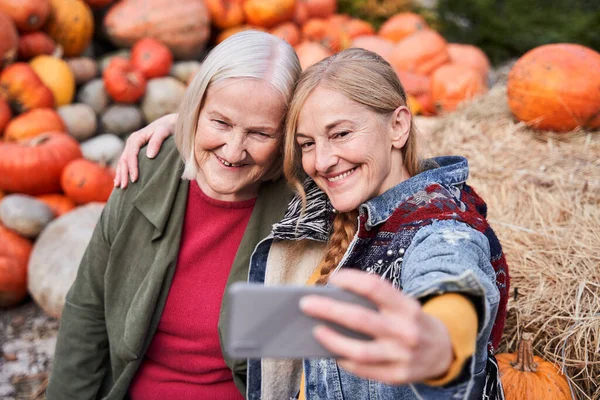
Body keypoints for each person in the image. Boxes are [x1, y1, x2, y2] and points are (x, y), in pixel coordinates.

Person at [116, 49, 509, 400]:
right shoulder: (333, 199)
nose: (322, 161)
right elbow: (249, 137)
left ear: (398, 126)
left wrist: (439, 341)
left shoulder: (441, 228)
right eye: (307, 143)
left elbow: (453, 281)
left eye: (341, 133)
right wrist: (186, 125)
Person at [46, 30, 302, 400]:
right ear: (195, 107)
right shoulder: (146, 166)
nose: (233, 150)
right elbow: (88, 311)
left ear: (288, 136)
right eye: (221, 123)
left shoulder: (306, 201)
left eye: (260, 133)